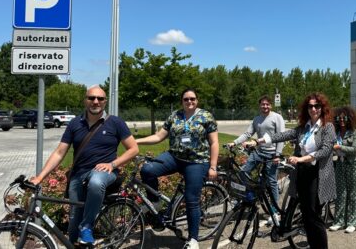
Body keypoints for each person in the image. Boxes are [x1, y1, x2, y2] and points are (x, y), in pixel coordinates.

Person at [31, 85, 139, 245]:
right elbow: (60, 152)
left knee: (96, 182)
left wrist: (112, 164)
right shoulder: (75, 124)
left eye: (100, 99)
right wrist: (39, 177)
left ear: (105, 102)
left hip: (105, 172)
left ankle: (87, 226)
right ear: (85, 100)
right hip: (78, 175)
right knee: (74, 220)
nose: (96, 102)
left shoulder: (115, 123)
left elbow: (134, 148)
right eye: (91, 98)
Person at [248, 92, 336, 249]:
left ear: (322, 108)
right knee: (306, 215)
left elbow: (326, 150)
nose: (313, 109)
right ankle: (313, 244)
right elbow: (283, 135)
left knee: (314, 217)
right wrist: (259, 141)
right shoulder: (304, 127)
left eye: (317, 106)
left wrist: (302, 159)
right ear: (306, 108)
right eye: (310, 106)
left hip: (318, 175)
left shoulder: (327, 127)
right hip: (302, 173)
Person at [136, 88, 219, 249]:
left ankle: (193, 239)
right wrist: (136, 141)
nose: (189, 102)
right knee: (147, 169)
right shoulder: (175, 116)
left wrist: (213, 167)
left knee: (191, 199)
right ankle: (156, 203)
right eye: (186, 99)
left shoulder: (206, 116)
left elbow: (214, 142)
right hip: (174, 157)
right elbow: (159, 136)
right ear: (182, 101)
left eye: (192, 99)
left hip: (197, 161)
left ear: (197, 100)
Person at [228, 95, 285, 221]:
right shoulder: (257, 119)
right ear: (259, 105)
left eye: (267, 104)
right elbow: (248, 133)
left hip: (272, 154)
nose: (265, 106)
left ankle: (274, 211)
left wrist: (277, 154)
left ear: (271, 105)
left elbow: (281, 137)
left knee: (272, 182)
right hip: (259, 152)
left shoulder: (277, 117)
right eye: (262, 104)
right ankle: (250, 195)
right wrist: (235, 142)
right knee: (243, 172)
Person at [329, 106, 356, 234]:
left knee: (354, 195)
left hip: (353, 166)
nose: (341, 120)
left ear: (350, 118)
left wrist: (340, 147)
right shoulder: (336, 133)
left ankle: (353, 222)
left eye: (344, 118)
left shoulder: (354, 132)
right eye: (339, 118)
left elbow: (354, 149)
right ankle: (338, 221)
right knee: (340, 194)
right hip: (340, 165)